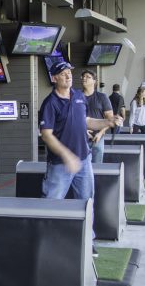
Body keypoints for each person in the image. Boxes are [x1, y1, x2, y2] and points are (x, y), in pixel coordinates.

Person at [39, 61, 122, 202]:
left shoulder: (79, 96)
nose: (68, 76)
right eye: (63, 74)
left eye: (69, 73)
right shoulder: (50, 103)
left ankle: (87, 225)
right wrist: (67, 155)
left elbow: (86, 121)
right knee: (51, 204)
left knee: (86, 203)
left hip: (84, 160)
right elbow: (46, 135)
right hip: (60, 164)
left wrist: (107, 122)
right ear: (54, 79)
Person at [80, 70, 113, 164]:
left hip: (97, 138)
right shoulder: (76, 96)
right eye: (83, 76)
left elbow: (110, 119)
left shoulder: (102, 97)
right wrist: (83, 130)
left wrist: (100, 133)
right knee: (81, 167)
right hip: (80, 137)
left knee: (97, 166)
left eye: (88, 77)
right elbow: (72, 118)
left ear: (95, 81)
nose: (84, 78)